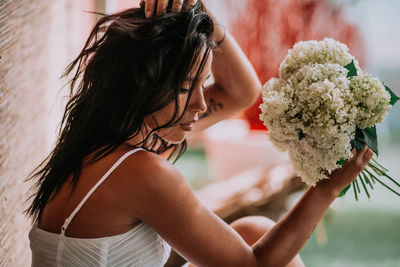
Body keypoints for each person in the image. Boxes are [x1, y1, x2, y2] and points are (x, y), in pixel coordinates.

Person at [26, 0, 373, 266]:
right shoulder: (142, 172)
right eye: (184, 87)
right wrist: (327, 187)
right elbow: (253, 265)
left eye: (203, 82)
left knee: (254, 228)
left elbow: (241, 92)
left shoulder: (106, 138)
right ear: (142, 85)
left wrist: (203, 19)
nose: (201, 104)